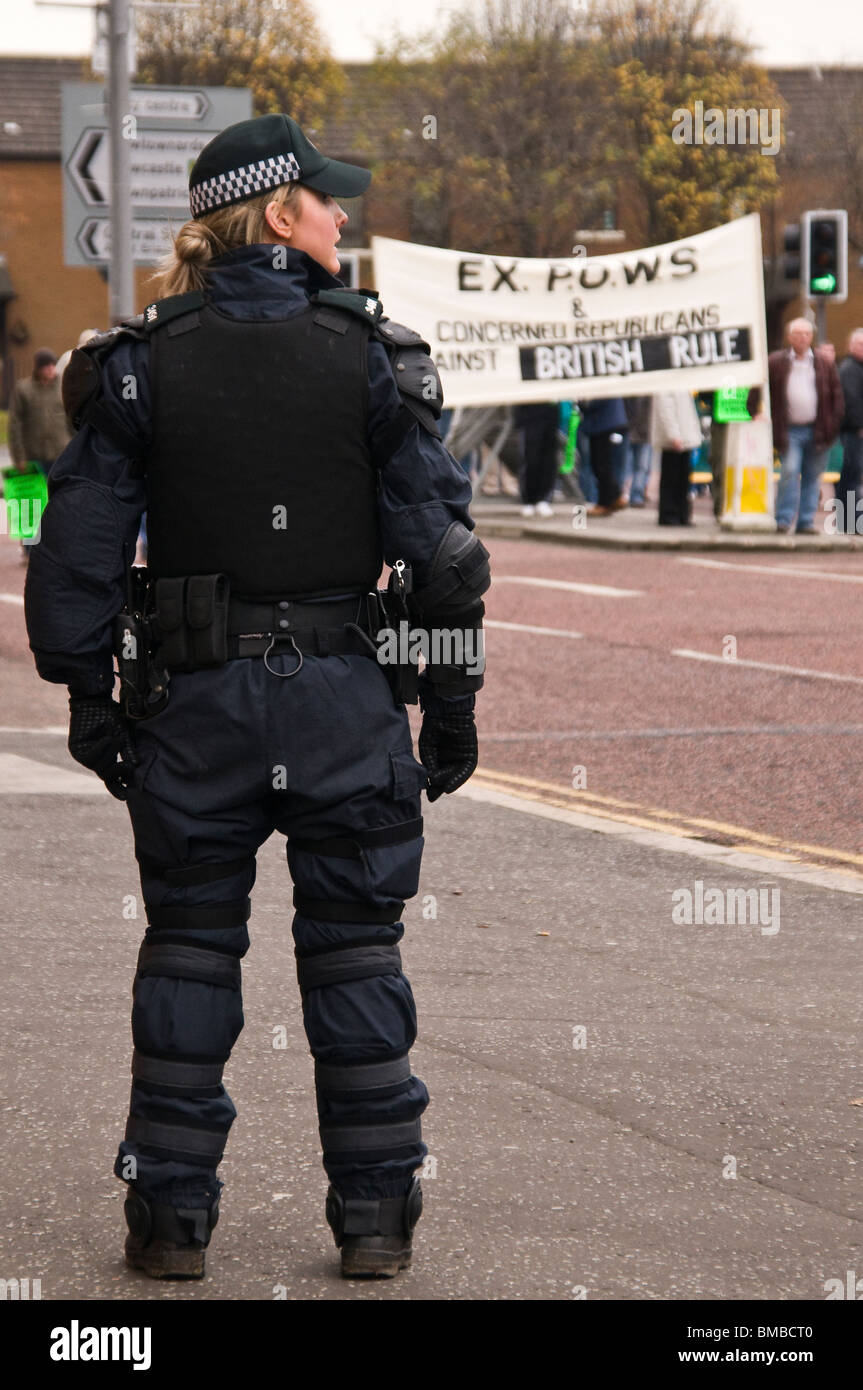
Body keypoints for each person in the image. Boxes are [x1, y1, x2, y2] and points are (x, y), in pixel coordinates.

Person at [23, 113, 490, 1283]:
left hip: (194, 705)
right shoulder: (376, 355)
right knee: (355, 954)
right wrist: (450, 697)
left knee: (186, 953)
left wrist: (89, 700)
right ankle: (376, 1220)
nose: (345, 217)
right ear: (280, 213)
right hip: (343, 704)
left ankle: (171, 1224)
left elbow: (72, 555)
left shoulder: (137, 364)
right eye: (329, 201)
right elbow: (440, 557)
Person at [761, 318, 843, 534]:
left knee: (812, 476)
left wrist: (833, 425)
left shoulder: (824, 363)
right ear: (790, 337)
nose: (802, 338)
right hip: (789, 429)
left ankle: (805, 521)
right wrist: (757, 412)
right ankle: (784, 519)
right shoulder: (776, 362)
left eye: (806, 334)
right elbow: (760, 389)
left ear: (811, 337)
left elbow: (836, 397)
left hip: (818, 429)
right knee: (789, 471)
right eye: (797, 334)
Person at [649, 391, 702, 525]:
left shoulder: (681, 382)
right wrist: (673, 435)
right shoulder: (667, 383)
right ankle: (669, 514)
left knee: (683, 479)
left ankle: (682, 514)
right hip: (675, 439)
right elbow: (665, 410)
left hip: (684, 436)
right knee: (672, 478)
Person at [577, 397, 628, 517]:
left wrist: (581, 403)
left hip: (604, 423)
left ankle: (607, 501)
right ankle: (614, 497)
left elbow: (592, 402)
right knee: (602, 464)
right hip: (608, 422)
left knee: (601, 464)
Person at [836, 329, 863, 534]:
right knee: (851, 477)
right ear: (850, 345)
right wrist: (859, 425)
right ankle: (850, 522)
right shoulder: (850, 369)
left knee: (851, 476)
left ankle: (849, 522)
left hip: (855, 430)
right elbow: (851, 401)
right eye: (860, 344)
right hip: (854, 431)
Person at [513, 401, 558, 517]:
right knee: (530, 459)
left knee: (548, 460)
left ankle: (544, 498)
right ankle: (528, 500)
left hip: (550, 414)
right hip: (530, 415)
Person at [621, 396, 652, 507]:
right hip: (635, 432)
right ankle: (629, 495)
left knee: (639, 467)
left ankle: (634, 496)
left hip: (641, 433)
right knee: (635, 467)